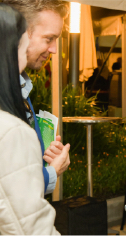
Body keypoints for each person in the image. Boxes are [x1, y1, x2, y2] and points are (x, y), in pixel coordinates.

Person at [0, 3, 69, 234]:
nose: (54, 49)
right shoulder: (9, 125)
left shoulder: (21, 88)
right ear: (18, 34)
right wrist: (51, 172)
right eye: (49, 38)